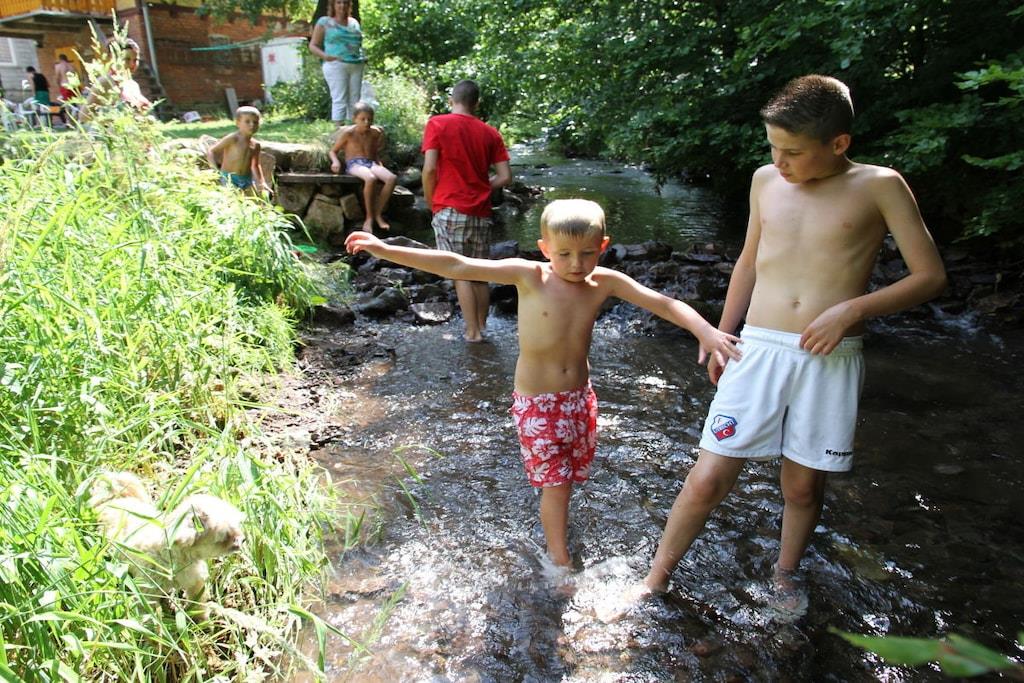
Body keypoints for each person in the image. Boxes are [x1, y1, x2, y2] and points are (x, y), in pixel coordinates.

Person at [642, 75, 947, 606]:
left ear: (839, 143)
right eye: (773, 148)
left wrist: (852, 310)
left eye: (794, 152)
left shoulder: (880, 185)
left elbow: (930, 276)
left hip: (828, 356)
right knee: (708, 477)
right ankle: (655, 579)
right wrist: (721, 333)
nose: (780, 162)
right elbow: (748, 262)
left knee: (802, 487)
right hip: (757, 347)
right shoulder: (765, 181)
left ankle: (785, 574)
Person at [345, 199, 743, 569]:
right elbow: (457, 265)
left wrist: (705, 331)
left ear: (603, 246)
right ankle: (560, 561)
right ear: (544, 247)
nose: (576, 263)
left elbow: (663, 303)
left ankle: (558, 537)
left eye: (587, 253)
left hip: (580, 400)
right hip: (538, 405)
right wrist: (384, 249)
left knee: (567, 480)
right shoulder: (530, 275)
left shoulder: (605, 282)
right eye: (564, 253)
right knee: (557, 485)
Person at [422, 79, 512, 342]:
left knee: (458, 271)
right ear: (477, 103)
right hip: (481, 211)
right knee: (479, 272)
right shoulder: (490, 133)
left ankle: (472, 333)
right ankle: (482, 327)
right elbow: (505, 176)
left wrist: (431, 201)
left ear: (452, 100)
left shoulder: (437, 124)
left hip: (449, 207)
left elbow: (429, 169)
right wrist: (481, 187)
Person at [328, 101, 396, 233]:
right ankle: (369, 218)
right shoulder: (349, 133)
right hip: (354, 164)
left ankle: (378, 214)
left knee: (391, 178)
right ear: (355, 119)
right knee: (370, 178)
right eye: (362, 119)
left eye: (369, 119)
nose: (366, 122)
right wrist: (335, 162)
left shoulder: (375, 133)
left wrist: (379, 163)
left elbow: (374, 152)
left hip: (371, 163)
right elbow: (332, 151)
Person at [309, 0, 367, 125]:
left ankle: (354, 130)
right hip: (336, 65)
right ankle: (339, 130)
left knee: (355, 100)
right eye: (339, 2)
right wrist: (326, 56)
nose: (342, 5)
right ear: (333, 5)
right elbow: (313, 45)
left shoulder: (354, 23)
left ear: (349, 5)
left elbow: (357, 44)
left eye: (345, 2)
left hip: (356, 65)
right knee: (339, 99)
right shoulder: (325, 22)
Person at [79, 39, 152, 121]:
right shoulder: (105, 81)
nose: (132, 64)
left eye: (135, 60)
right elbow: (83, 117)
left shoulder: (133, 84)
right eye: (127, 59)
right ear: (113, 58)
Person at [206, 105, 271, 196]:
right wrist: (215, 170)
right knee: (231, 200)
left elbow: (255, 165)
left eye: (255, 122)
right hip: (229, 178)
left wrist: (262, 182)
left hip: (247, 179)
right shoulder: (233, 139)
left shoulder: (256, 145)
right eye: (247, 121)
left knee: (253, 202)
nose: (252, 125)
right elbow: (212, 151)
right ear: (238, 123)